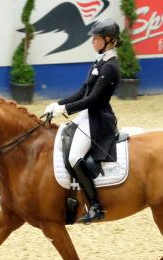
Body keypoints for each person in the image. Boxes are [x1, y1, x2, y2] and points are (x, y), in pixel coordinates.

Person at [45, 18, 121, 224]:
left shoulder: (110, 67)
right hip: (86, 115)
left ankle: (95, 204)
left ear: (108, 40)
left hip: (98, 119)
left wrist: (65, 109)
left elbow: (95, 99)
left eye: (96, 38)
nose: (92, 42)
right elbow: (83, 91)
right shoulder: (100, 61)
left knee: (74, 157)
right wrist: (58, 104)